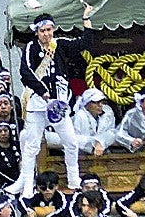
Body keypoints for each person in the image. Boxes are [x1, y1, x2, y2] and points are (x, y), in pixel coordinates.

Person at [12, 12, 93, 197]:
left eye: (49, 30)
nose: (46, 34)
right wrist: (42, 91)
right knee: (32, 146)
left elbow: (84, 44)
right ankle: (27, 187)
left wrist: (86, 20)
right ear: (37, 32)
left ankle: (74, 180)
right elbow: (25, 72)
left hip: (58, 105)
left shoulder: (60, 44)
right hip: (38, 103)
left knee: (71, 142)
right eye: (42, 31)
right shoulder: (30, 48)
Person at [72, 89, 116, 156]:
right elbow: (75, 138)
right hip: (81, 156)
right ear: (87, 104)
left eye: (101, 102)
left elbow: (111, 132)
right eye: (96, 102)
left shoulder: (107, 114)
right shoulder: (79, 116)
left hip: (103, 153)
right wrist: (94, 143)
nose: (100, 105)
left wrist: (101, 142)